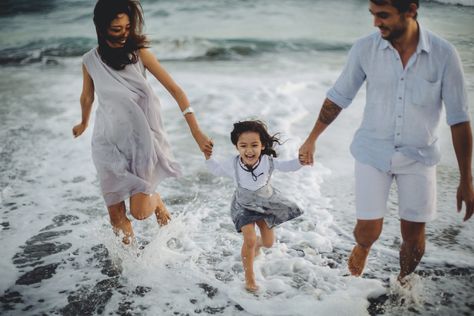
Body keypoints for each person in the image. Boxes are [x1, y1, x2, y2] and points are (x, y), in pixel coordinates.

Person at [299, 0, 474, 283]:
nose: (376, 23)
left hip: (420, 156)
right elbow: (339, 96)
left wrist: (466, 179)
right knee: (367, 230)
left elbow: (459, 119)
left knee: (414, 235)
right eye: (373, 14)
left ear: (411, 10)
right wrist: (312, 139)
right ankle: (363, 246)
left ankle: (403, 283)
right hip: (372, 151)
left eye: (383, 16)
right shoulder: (365, 48)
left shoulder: (444, 54)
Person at [72, 0, 213, 244]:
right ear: (102, 27)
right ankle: (130, 268)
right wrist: (83, 123)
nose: (124, 34)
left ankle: (155, 200)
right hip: (107, 142)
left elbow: (176, 90)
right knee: (115, 214)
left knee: (139, 212)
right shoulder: (90, 61)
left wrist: (196, 132)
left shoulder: (140, 54)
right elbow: (87, 96)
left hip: (142, 141)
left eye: (127, 28)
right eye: (117, 29)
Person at [205, 120, 304, 292]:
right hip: (243, 205)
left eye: (254, 145)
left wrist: (302, 160)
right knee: (249, 239)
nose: (249, 150)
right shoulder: (233, 163)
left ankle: (256, 246)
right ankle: (249, 277)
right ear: (237, 147)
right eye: (243, 145)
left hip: (265, 203)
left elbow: (288, 166)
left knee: (268, 243)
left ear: (262, 145)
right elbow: (217, 170)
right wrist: (208, 157)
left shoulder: (267, 161)